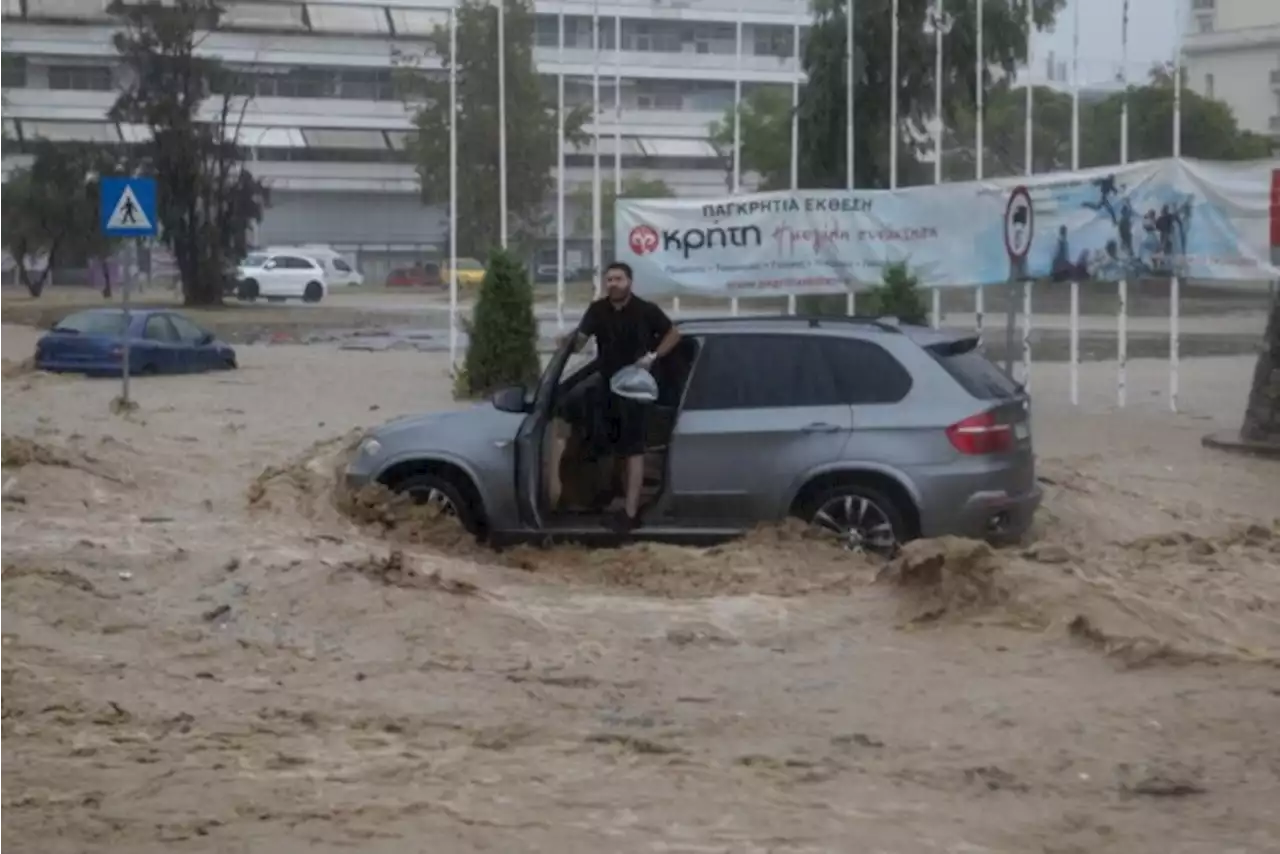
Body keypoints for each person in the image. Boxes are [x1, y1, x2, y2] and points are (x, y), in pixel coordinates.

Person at [566, 261, 681, 532]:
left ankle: (630, 514)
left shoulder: (645, 310)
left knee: (633, 450)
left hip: (636, 389)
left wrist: (653, 356)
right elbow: (580, 340)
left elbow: (674, 333)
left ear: (629, 282)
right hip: (606, 386)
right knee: (610, 446)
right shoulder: (597, 310)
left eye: (618, 279)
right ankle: (610, 502)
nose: (613, 284)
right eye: (609, 280)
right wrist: (567, 341)